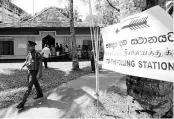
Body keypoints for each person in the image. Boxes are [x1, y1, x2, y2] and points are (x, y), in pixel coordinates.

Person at [16, 41, 43, 109]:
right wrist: (23, 65)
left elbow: (40, 64)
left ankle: (22, 103)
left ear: (33, 46)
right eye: (28, 46)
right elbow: (26, 61)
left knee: (29, 87)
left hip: (34, 72)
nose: (29, 47)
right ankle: (40, 93)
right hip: (29, 71)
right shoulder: (29, 54)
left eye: (30, 46)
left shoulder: (37, 54)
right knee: (35, 82)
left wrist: (40, 72)